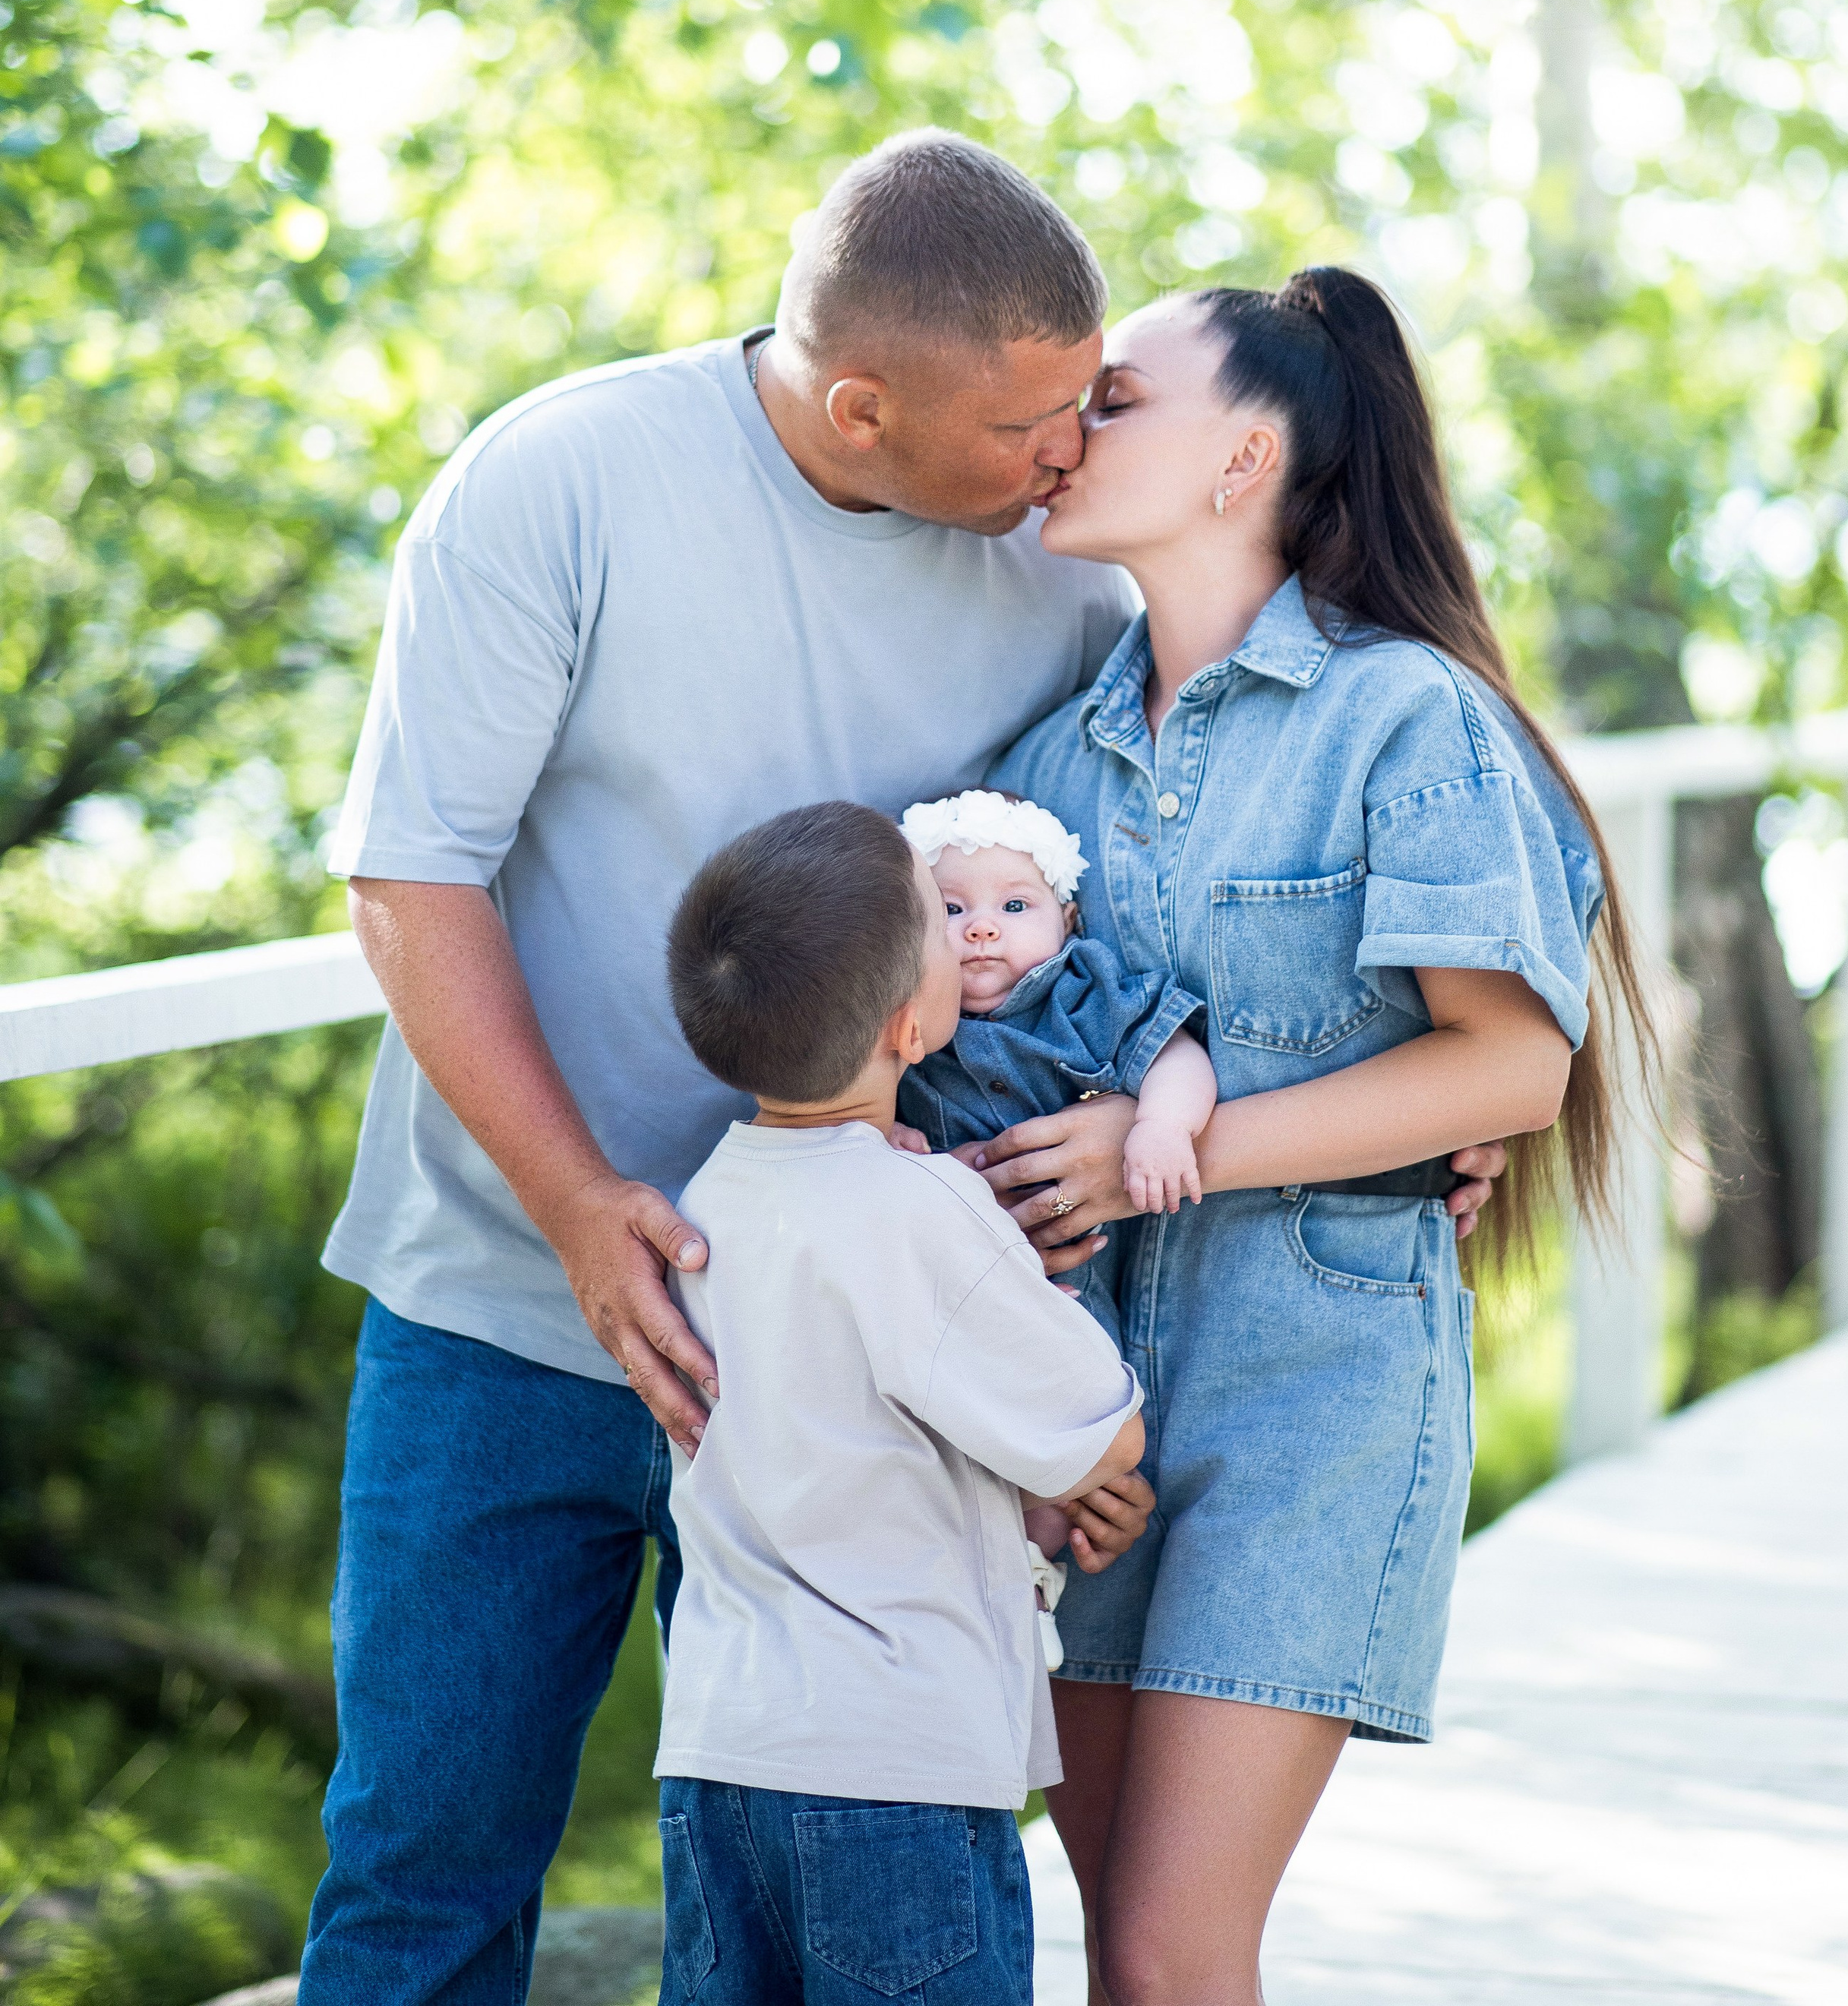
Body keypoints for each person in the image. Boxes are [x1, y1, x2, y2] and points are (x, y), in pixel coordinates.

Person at [297, 132, 1501, 1998]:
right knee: (421, 1882)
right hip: (502, 1307)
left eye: (1091, 402)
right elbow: (407, 875)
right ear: (860, 402)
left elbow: (1131, 924)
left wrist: (1400, 1107)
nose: (1066, 453)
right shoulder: (557, 483)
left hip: (842, 1359)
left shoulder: (1072, 590)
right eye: (1034, 417)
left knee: (805, 1913)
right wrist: (577, 1204)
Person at [962, 264, 1657, 2006]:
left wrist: (1160, 1136)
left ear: (1239, 458)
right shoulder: (1038, 771)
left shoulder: (1399, 715)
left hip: (1316, 1396)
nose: (1063, 431)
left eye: (1113, 399)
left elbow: (1506, 1067)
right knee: (1120, 1938)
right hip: (1086, 1406)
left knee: (1172, 1945)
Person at [652, 800, 1147, 2006]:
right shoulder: (921, 1211)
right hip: (896, 1768)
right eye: (942, 914)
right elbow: (1105, 1428)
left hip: (720, 1757)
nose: (968, 930)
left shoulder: (705, 1199)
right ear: (910, 1024)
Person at [896, 787, 1217, 1216]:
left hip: (1093, 1250)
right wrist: (885, 1139)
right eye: (951, 909)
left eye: (1014, 905)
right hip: (951, 1255)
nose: (982, 928)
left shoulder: (1084, 997)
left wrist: (1164, 1124)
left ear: (1067, 922)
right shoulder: (897, 1017)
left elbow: (1172, 1053)